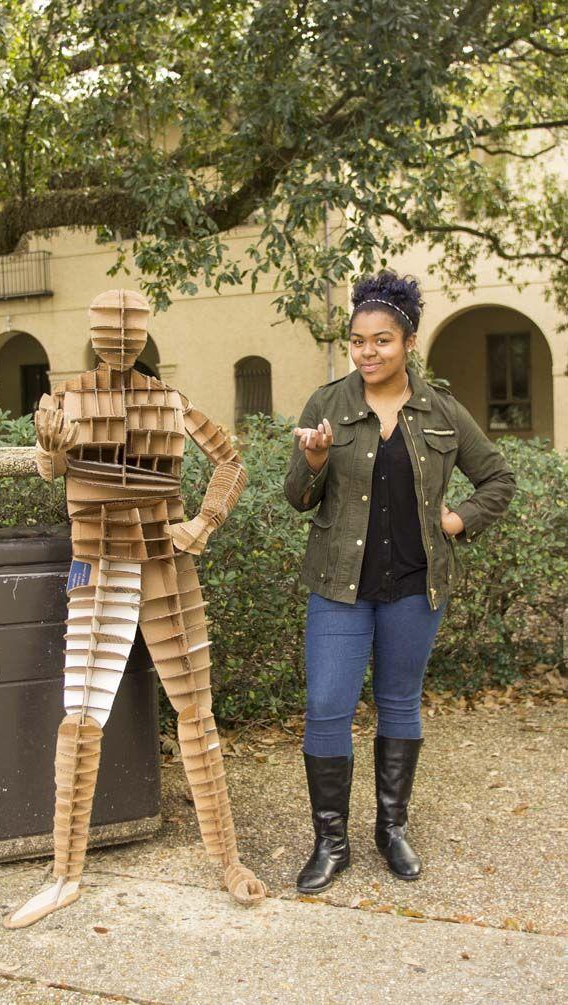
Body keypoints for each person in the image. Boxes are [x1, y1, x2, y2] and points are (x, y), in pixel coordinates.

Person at [284, 269, 516, 893]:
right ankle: (331, 842)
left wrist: (459, 518)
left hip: (416, 587)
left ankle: (392, 830)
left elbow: (498, 478)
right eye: (358, 341)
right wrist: (312, 462)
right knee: (328, 707)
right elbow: (298, 499)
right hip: (339, 587)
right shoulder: (327, 404)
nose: (368, 353)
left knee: (398, 705)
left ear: (407, 343)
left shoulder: (440, 410)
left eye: (381, 341)